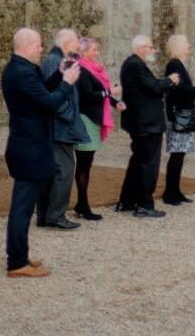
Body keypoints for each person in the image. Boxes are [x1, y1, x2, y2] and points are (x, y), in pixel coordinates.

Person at [2, 28, 81, 277]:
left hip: (28, 145)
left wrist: (59, 77)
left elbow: (42, 92)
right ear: (26, 46)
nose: (40, 49)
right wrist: (67, 85)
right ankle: (16, 262)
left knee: (23, 206)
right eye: (37, 45)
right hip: (28, 148)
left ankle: (20, 255)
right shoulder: (21, 73)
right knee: (22, 207)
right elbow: (48, 103)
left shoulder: (24, 70)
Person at [117, 35, 182, 218]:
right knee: (148, 164)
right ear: (140, 48)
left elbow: (148, 86)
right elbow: (152, 86)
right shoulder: (136, 65)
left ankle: (127, 200)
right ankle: (144, 204)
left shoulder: (132, 64)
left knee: (138, 161)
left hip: (140, 122)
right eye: (150, 47)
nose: (152, 50)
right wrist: (170, 80)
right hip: (146, 123)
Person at [37, 28, 88, 230]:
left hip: (58, 126)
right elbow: (51, 95)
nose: (77, 46)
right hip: (58, 127)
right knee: (64, 170)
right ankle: (55, 215)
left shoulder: (56, 60)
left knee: (55, 171)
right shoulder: (54, 62)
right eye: (75, 42)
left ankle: (47, 214)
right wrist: (69, 115)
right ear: (66, 43)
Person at [72, 38, 123, 220]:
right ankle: (82, 205)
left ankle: (82, 204)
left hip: (92, 119)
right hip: (86, 119)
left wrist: (115, 103)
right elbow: (88, 96)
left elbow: (100, 93)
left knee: (86, 163)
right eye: (94, 49)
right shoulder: (82, 70)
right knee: (84, 164)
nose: (97, 52)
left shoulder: (92, 69)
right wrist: (111, 93)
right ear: (83, 52)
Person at [161, 34, 195, 206]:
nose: (189, 46)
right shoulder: (174, 64)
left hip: (182, 113)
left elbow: (183, 90)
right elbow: (179, 90)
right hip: (178, 116)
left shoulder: (179, 65)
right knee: (177, 154)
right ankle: (170, 193)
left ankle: (175, 190)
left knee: (180, 154)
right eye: (187, 44)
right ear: (179, 47)